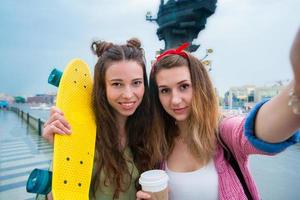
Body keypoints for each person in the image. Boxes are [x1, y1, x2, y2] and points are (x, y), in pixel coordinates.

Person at [137, 29, 300, 200]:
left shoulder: (223, 132)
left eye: (184, 86)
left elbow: (261, 131)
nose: (175, 100)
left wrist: (297, 86)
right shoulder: (156, 143)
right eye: (165, 90)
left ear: (201, 87)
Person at [42, 38, 163, 200]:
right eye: (117, 84)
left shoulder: (151, 132)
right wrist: (62, 152)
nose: (128, 94)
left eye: (136, 83)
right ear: (102, 87)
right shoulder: (82, 134)